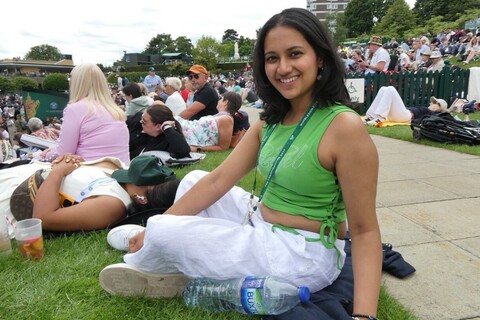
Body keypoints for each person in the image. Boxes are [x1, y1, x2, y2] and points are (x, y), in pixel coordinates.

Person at [100, 8, 382, 319]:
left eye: (295, 53)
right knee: (194, 179)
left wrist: (364, 316)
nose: (283, 67)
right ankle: (159, 241)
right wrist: (164, 221)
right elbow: (218, 180)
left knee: (165, 233)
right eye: (272, 58)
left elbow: (364, 230)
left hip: (302, 253)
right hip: (259, 222)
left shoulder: (344, 128)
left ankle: (155, 250)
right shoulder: (270, 122)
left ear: (320, 58)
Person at [1, 154, 180, 233]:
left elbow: (43, 217)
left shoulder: (113, 205)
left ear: (142, 198)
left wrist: (58, 171)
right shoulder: (118, 180)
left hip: (12, 194)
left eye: (133, 179)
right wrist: (71, 160)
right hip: (21, 175)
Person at [39, 63, 130, 165]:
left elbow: (64, 153)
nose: (69, 82)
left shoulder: (75, 109)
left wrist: (42, 155)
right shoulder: (115, 110)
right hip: (122, 173)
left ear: (78, 83)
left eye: (70, 78)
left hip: (91, 173)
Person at [175, 91, 247, 151]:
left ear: (225, 102)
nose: (218, 101)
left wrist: (197, 149)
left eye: (221, 99)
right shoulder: (220, 116)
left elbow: (223, 147)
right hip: (184, 127)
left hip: (185, 132)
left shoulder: (226, 119)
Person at [363, 86, 448, 125]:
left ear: (439, 107)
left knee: (391, 89)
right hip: (401, 114)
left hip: (406, 116)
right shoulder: (427, 109)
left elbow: (445, 117)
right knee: (383, 89)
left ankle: (380, 117)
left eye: (434, 103)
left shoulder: (433, 114)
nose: (431, 103)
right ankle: (371, 116)